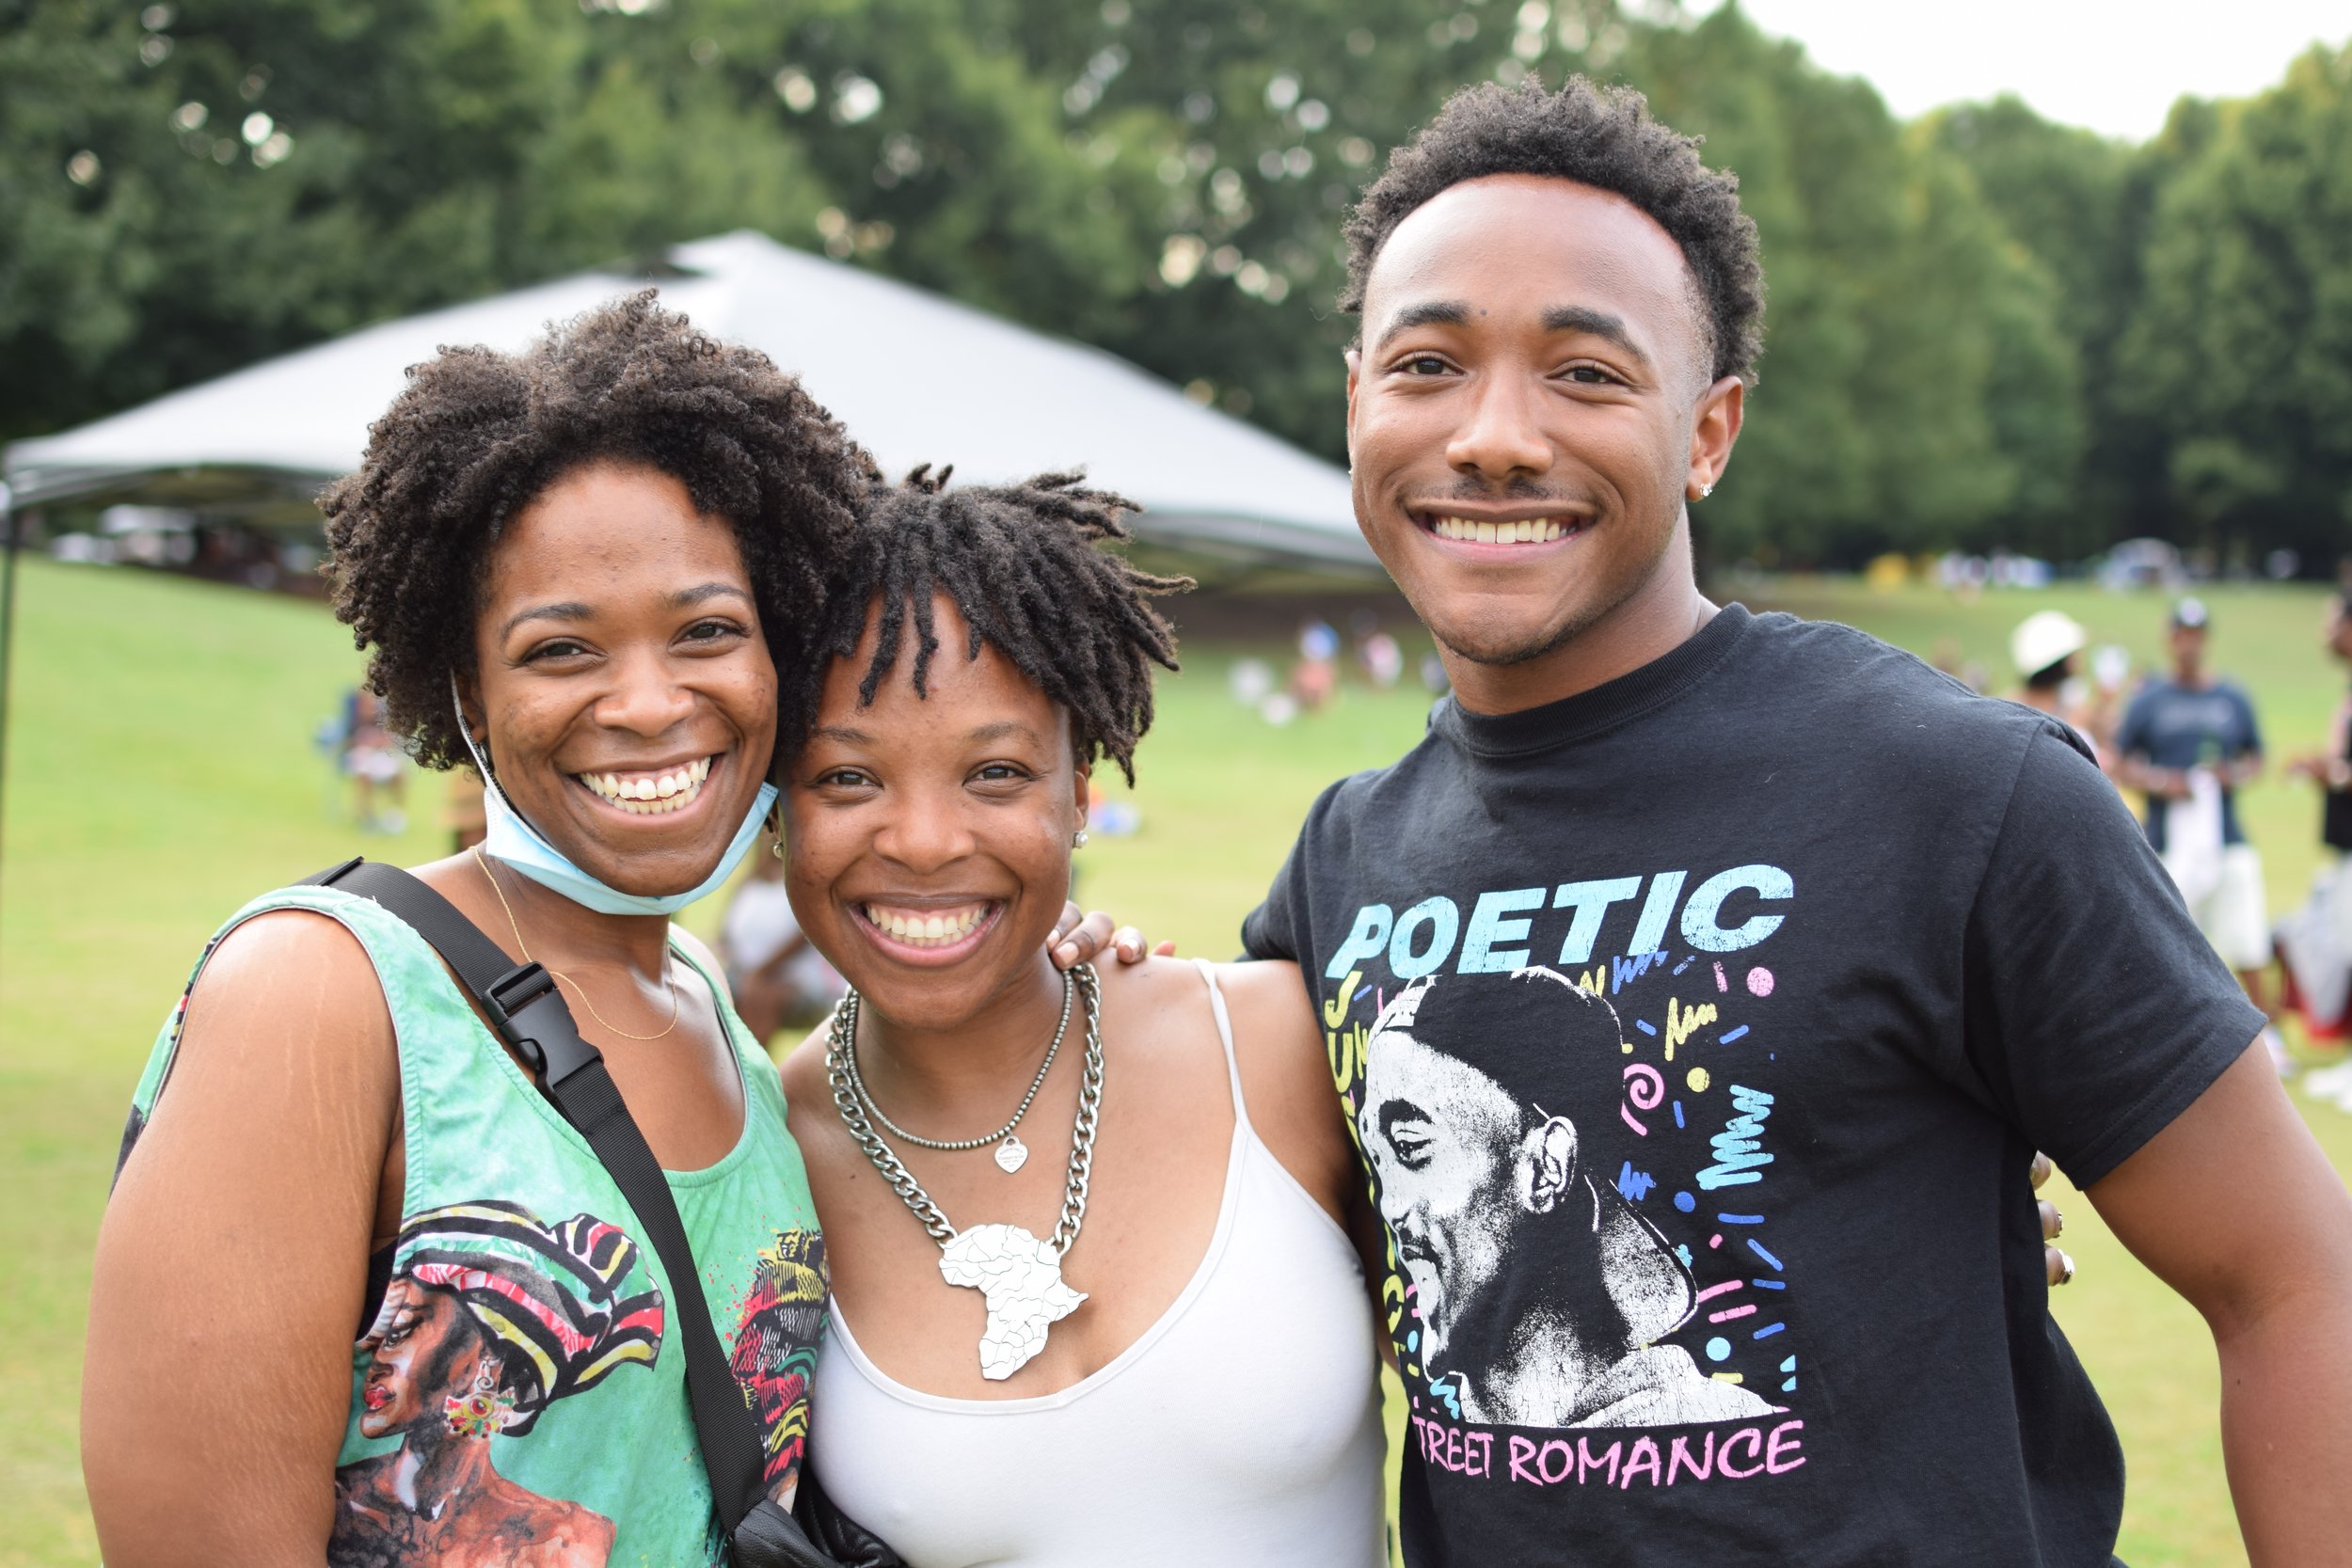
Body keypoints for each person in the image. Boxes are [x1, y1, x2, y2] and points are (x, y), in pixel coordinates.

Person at [1239, 77, 2352, 1565]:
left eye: (1585, 371)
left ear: (1709, 432)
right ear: (1358, 404)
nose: (1494, 434)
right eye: (1427, 364)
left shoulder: (1962, 792)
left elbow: (2294, 1276)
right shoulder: (1340, 863)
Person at [83, 296, 1130, 1567]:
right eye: (562, 648)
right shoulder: (321, 991)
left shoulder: (716, 1015)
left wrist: (1062, 968)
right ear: (468, 692)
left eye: (706, 632)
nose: (645, 701)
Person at [776, 471, 1386, 1566]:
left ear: (1080, 792)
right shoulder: (763, 1161)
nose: (925, 841)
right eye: (848, 776)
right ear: (778, 808)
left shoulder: (1282, 1047)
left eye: (996, 771)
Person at [2114, 599, 2283, 1063]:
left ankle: (2267, 1035)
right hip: (2168, 839)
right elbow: (2119, 760)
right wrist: (2159, 782)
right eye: (2181, 634)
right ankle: (2163, 1034)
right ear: (2170, 638)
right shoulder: (2149, 699)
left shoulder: (2231, 697)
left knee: (2246, 937)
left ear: (2206, 639)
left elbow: (2256, 758)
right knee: (2165, 941)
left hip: (2225, 833)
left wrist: (2234, 775)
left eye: (2196, 635)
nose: (2188, 644)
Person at [721, 833, 846, 1045]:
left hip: (795, 975)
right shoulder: (748, 883)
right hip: (744, 970)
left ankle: (753, 1057)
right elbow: (725, 934)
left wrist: (762, 971)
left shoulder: (800, 883)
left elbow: (801, 937)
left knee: (762, 995)